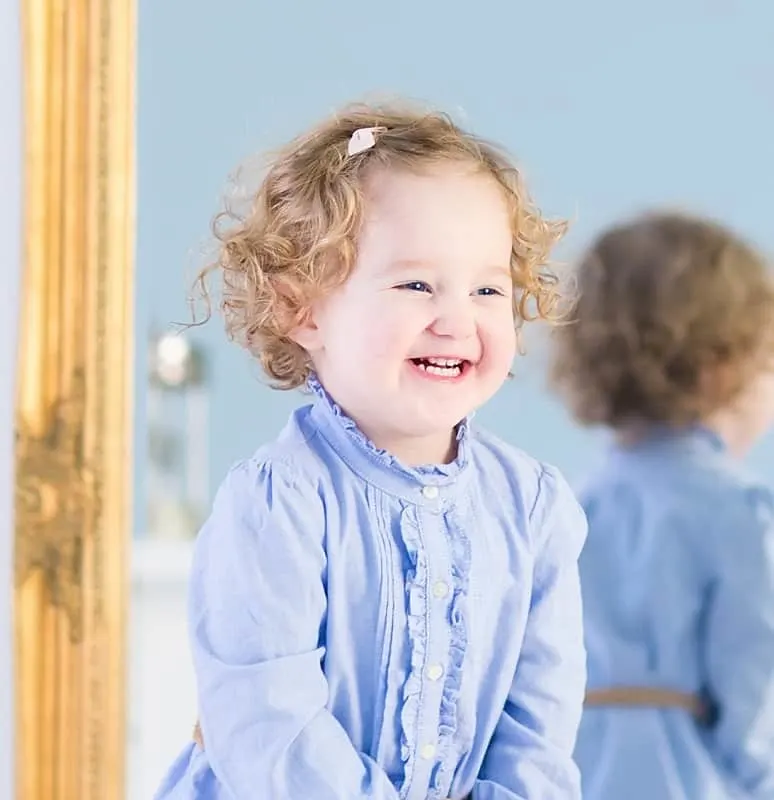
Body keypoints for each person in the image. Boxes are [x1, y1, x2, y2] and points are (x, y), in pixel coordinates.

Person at [155, 100, 587, 800]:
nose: (457, 318)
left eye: (486, 288)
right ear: (303, 309)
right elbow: (273, 725)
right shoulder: (280, 503)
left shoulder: (534, 507)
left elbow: (539, 722)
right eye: (417, 284)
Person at [550, 211, 774, 798]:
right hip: (690, 778)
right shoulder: (738, 510)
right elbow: (754, 677)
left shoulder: (566, 507)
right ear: (723, 366)